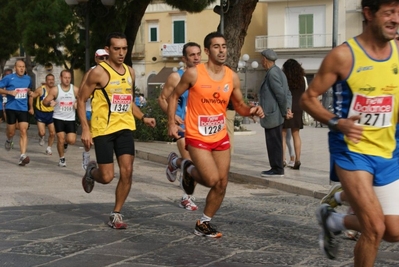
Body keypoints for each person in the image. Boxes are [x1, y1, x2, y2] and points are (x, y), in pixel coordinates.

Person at [300, 1, 399, 265]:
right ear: (368, 13)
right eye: (389, 13)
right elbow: (308, 98)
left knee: (394, 231)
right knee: (374, 228)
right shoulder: (344, 56)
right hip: (352, 151)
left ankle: (333, 217)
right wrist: (337, 122)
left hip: (389, 150)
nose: (396, 19)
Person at [167, 31, 264, 238]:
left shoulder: (231, 76)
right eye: (216, 47)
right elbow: (174, 96)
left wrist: (252, 110)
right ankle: (183, 164)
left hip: (219, 136)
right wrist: (171, 122)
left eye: (224, 46)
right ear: (207, 51)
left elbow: (239, 105)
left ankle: (203, 222)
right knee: (211, 179)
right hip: (197, 135)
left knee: (222, 182)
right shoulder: (194, 73)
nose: (221, 50)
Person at [78, 32, 156, 229]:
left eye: (124, 48)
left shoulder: (130, 72)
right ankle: (91, 172)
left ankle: (116, 213)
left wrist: (143, 117)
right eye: (116, 49)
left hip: (124, 128)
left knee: (127, 171)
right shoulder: (98, 72)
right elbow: (81, 99)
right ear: (107, 50)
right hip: (103, 129)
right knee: (106, 177)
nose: (121, 53)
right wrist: (85, 129)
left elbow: (128, 101)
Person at [158, 42, 201, 211]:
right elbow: (162, 99)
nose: (196, 57)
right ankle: (187, 197)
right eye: (192, 55)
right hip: (182, 126)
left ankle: (174, 161)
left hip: (200, 127)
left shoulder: (204, 76)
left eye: (198, 54)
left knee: (200, 164)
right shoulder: (176, 77)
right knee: (193, 163)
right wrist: (172, 116)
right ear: (184, 58)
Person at [258, 49, 293, 177]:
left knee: (273, 143)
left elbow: (281, 94)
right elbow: (287, 93)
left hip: (273, 114)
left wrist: (285, 111)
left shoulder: (272, 73)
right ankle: (276, 167)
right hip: (276, 113)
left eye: (261, 59)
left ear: (265, 60)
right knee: (275, 141)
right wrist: (288, 109)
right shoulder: (279, 72)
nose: (261, 61)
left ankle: (277, 168)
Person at [79, 48, 109, 170]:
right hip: (90, 110)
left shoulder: (111, 71)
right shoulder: (91, 72)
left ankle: (103, 163)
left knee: (102, 138)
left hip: (105, 111)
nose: (104, 60)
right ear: (96, 59)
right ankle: (86, 155)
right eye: (101, 58)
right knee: (90, 139)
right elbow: (81, 92)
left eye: (106, 57)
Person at [43, 70, 79, 167]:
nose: (67, 80)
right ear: (60, 78)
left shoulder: (75, 89)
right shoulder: (55, 90)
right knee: (60, 139)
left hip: (70, 118)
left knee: (71, 140)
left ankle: (66, 144)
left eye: (69, 78)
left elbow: (82, 99)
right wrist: (50, 103)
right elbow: (45, 102)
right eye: (65, 78)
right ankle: (62, 159)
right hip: (58, 118)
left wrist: (77, 103)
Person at [0, 60, 32, 166]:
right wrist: (9, 92)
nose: (22, 69)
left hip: (23, 108)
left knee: (23, 130)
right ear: (15, 67)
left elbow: (29, 90)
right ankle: (9, 139)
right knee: (11, 132)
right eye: (20, 67)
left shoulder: (28, 79)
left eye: (23, 67)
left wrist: (29, 92)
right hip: (11, 108)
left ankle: (22, 155)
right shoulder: (9, 78)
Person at [281, 59, 306, 170]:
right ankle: (297, 159)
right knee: (296, 134)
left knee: (283, 134)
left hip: (287, 107)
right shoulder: (303, 79)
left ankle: (282, 159)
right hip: (298, 108)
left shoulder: (284, 79)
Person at [28, 74, 56, 155]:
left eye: (52, 79)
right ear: (46, 81)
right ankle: (41, 137)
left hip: (51, 113)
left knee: (52, 133)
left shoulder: (56, 90)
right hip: (41, 113)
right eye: (49, 79)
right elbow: (31, 96)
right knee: (42, 132)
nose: (51, 81)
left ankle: (49, 148)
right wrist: (31, 108)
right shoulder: (41, 89)